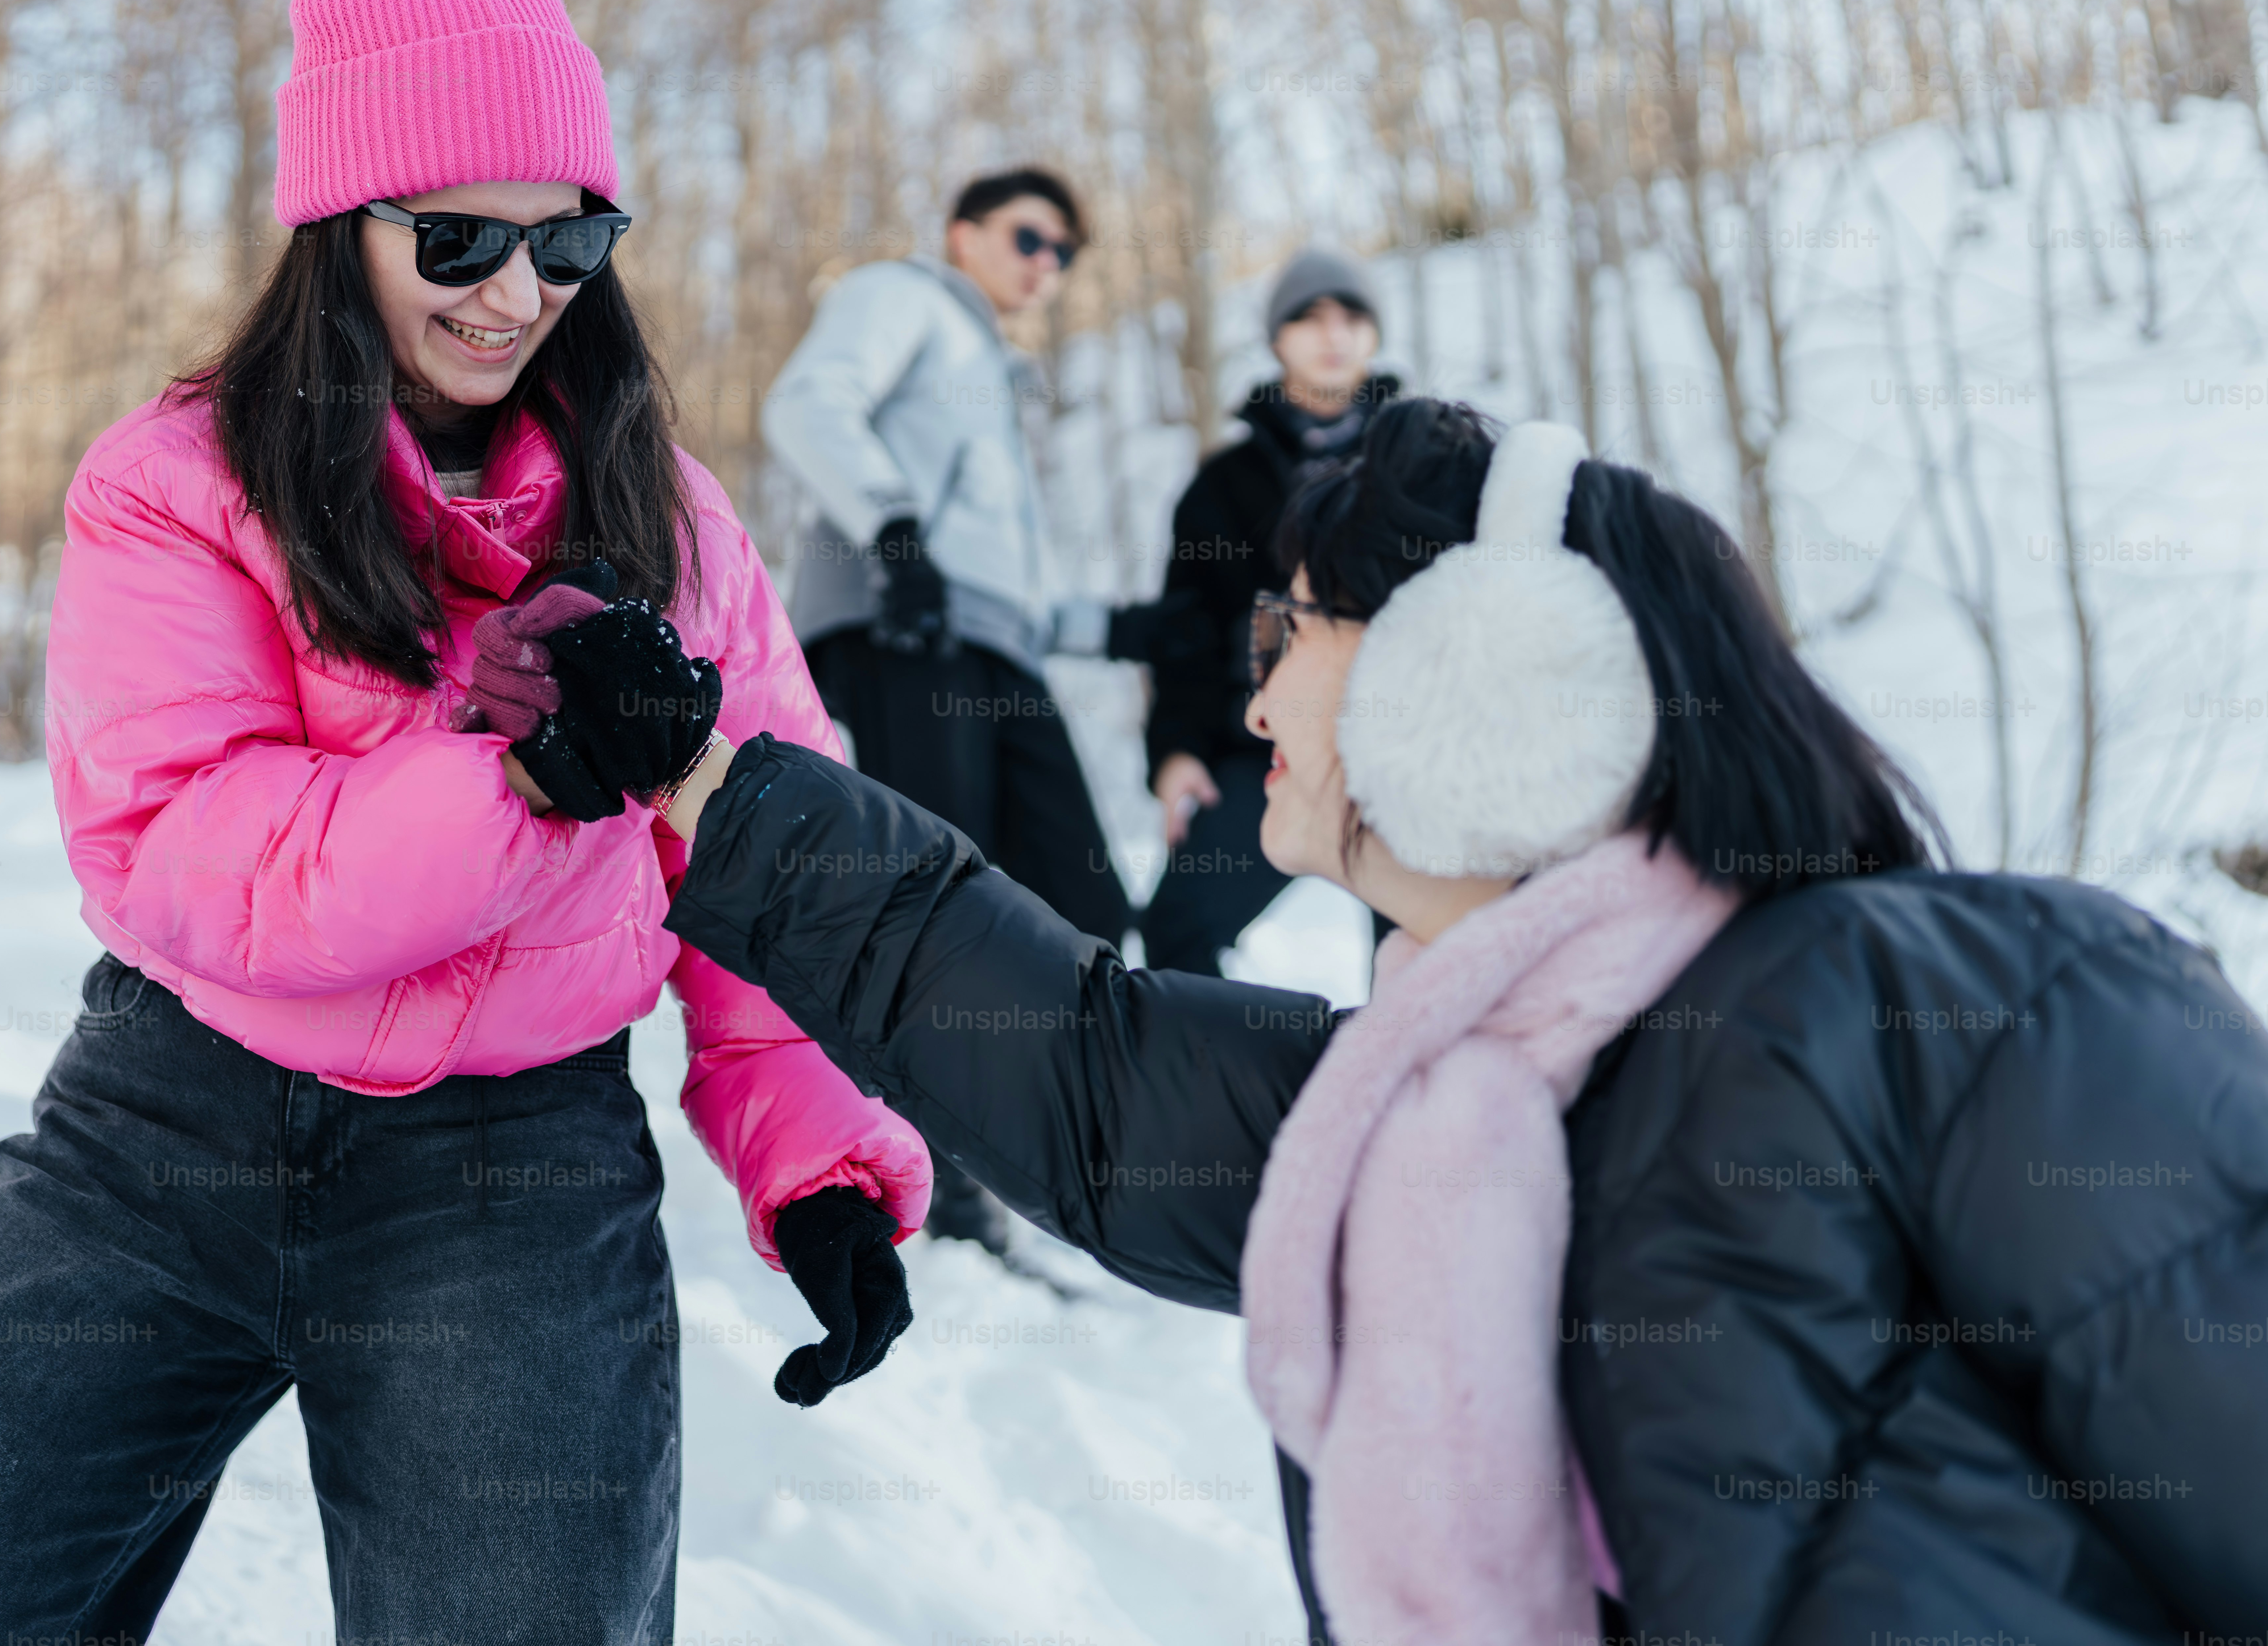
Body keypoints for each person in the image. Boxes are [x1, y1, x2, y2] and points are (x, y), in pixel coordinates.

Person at [519, 396, 2268, 1644]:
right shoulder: (1421, 1119)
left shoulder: (1980, 1001)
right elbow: (1083, 1064)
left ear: (1487, 669)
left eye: (1299, 623)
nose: (1259, 679)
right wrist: (704, 773)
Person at [0, 0, 929, 1646]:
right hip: (174, 1126)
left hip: (510, 1172)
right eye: (461, 239)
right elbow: (187, 852)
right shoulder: (178, 486)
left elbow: (772, 856)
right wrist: (512, 780)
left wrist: (819, 1160)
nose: (522, 292)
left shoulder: (667, 521)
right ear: (344, 222)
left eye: (570, 239)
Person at [760, 167, 1136, 1253]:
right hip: (904, 630)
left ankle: (1035, 1150)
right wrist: (893, 534)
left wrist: (1115, 628)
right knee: (945, 906)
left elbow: (1001, 575)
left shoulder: (999, 372)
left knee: (1080, 895)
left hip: (990, 644)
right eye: (1029, 237)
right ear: (963, 232)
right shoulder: (900, 296)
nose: (1045, 265)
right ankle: (940, 1173)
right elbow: (806, 403)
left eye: (1064, 253)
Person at [1137, 247, 1399, 977]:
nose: (1333, 333)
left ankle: (1407, 1086)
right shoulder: (1221, 487)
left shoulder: (1422, 463)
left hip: (1406, 749)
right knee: (1177, 934)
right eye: (1309, 317)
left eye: (1351, 315)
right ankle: (1230, 1092)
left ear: (1374, 334)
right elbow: (1184, 634)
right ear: (1277, 338)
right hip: (1270, 751)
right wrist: (1176, 750)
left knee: (1424, 951)